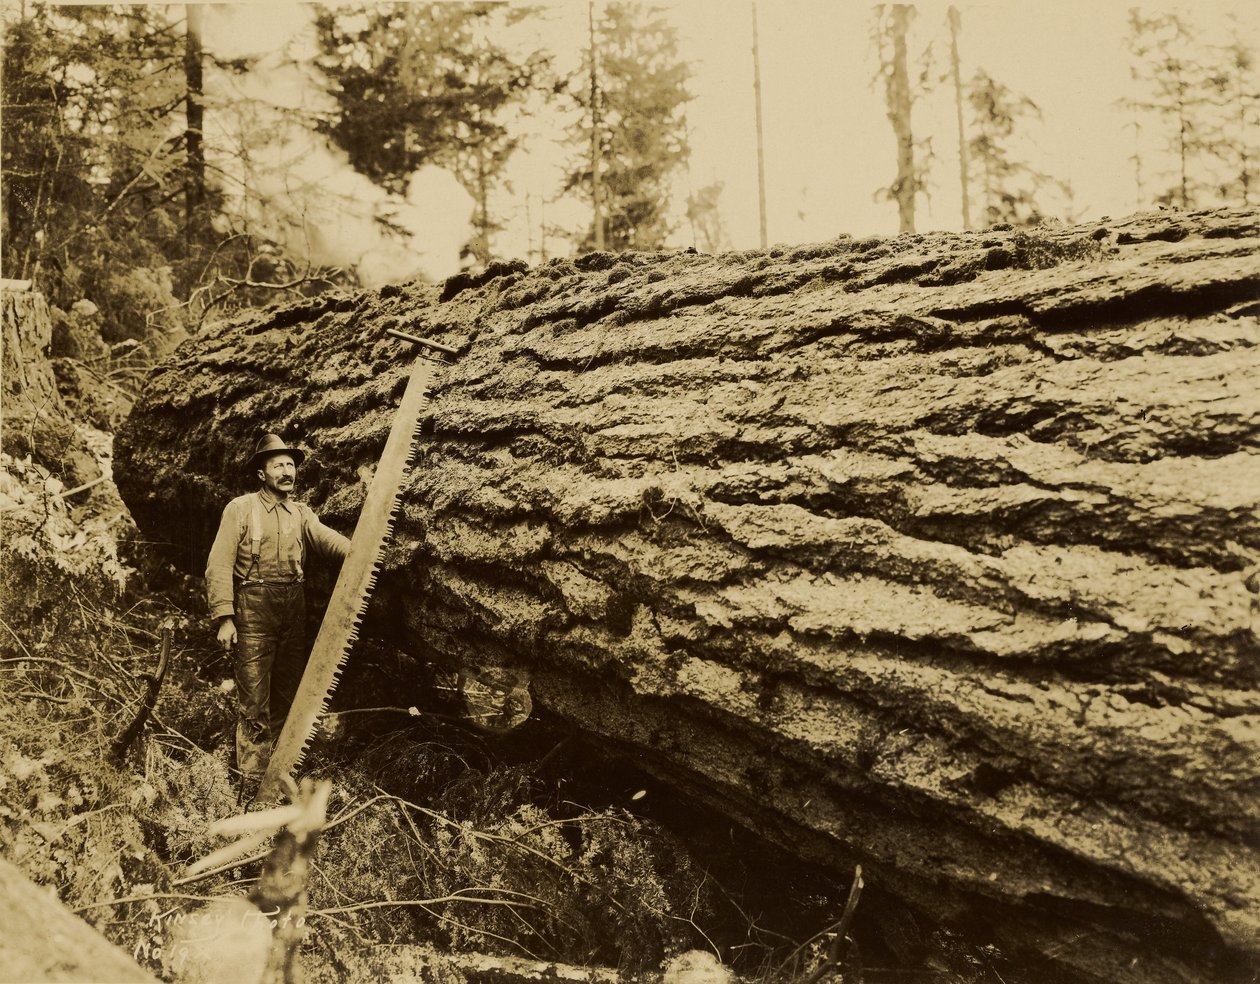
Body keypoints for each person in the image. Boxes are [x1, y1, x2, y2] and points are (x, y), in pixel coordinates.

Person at [205, 433, 350, 787]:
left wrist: (359, 551)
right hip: (253, 611)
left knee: (289, 694)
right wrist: (225, 618)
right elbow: (218, 564)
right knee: (255, 700)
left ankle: (282, 774)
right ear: (261, 474)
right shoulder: (240, 509)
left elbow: (325, 538)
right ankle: (253, 784)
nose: (287, 472)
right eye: (278, 466)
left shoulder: (301, 513)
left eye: (290, 465)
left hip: (292, 610)